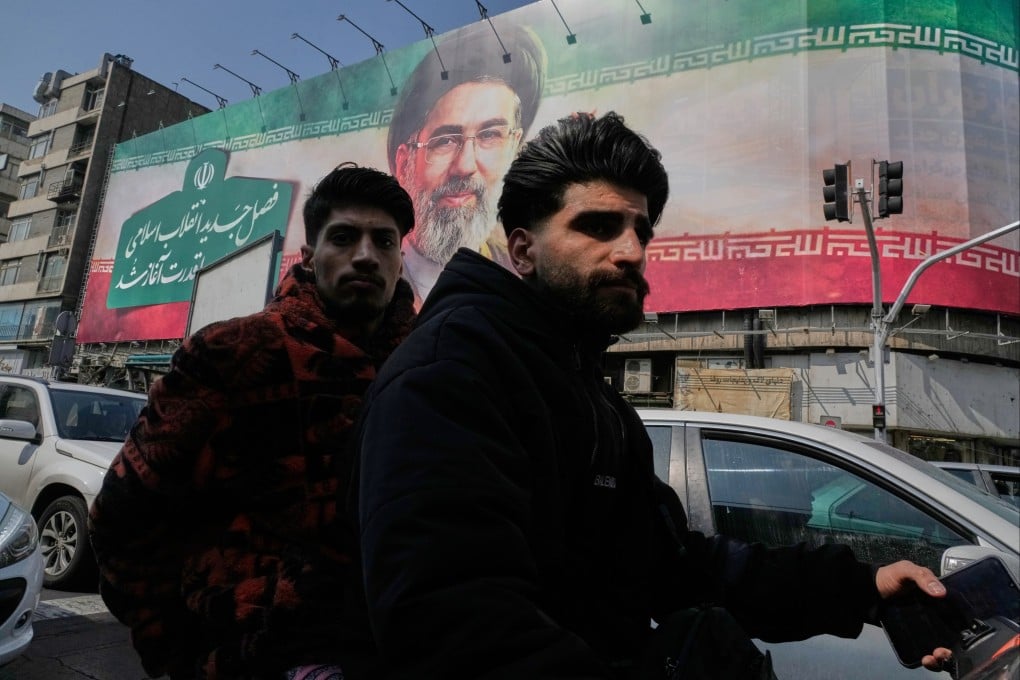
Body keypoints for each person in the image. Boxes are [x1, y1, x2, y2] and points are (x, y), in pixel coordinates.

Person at [354, 113, 955, 678]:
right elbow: (455, 633)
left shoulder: (595, 400)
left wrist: (860, 589)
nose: (631, 251)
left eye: (641, 230)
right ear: (522, 250)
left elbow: (676, 567)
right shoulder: (451, 371)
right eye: (596, 226)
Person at [89, 163, 416, 680]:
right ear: (310, 257)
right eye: (344, 237)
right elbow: (122, 514)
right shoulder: (232, 353)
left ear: (401, 258)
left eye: (384, 240)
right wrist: (171, 646)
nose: (365, 255)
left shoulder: (424, 368)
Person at [386, 22, 546, 306]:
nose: (465, 165)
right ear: (404, 162)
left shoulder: (528, 283)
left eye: (489, 136)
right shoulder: (373, 282)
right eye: (445, 140)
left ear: (515, 147)